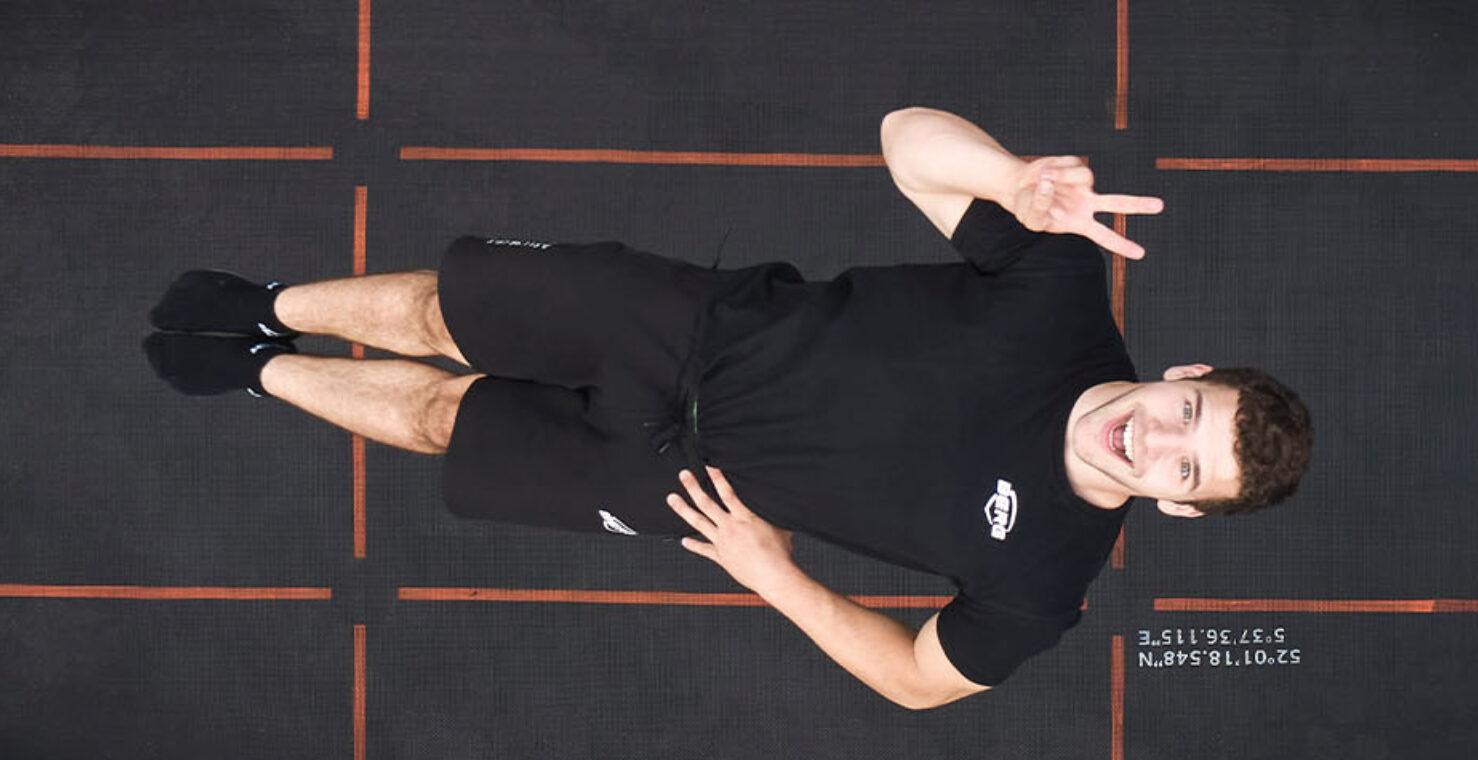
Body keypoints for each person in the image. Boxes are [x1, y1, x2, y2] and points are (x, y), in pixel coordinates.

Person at [143, 106, 1313, 711]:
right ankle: (271, 301)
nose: (1152, 441)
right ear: (1184, 371)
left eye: (1180, 469)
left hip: (692, 492)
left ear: (1181, 512)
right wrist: (1010, 180)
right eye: (1182, 415)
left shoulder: (1049, 580)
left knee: (446, 421)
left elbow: (919, 678)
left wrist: (774, 575)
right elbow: (908, 141)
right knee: (442, 310)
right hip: (686, 322)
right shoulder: (1062, 292)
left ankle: (257, 368)